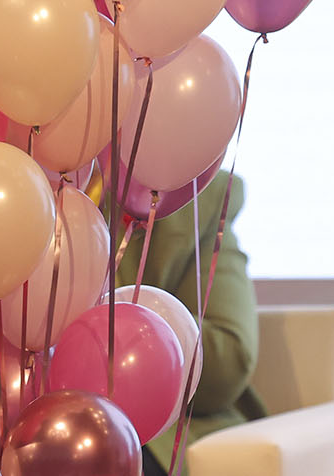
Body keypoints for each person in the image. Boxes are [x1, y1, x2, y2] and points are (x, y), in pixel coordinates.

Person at [114, 170, 266, 476]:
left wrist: (108, 310)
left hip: (150, 436)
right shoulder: (26, 187)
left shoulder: (199, 199)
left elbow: (228, 361)